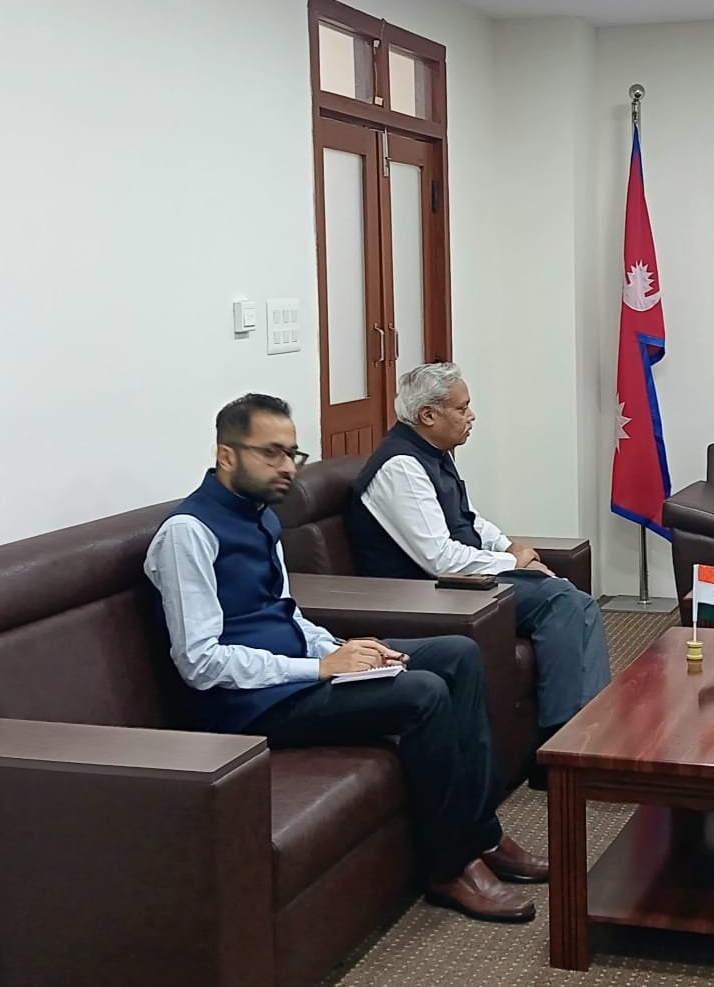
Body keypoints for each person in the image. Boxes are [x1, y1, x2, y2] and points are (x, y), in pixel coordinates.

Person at [144, 394, 545, 924]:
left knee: (456, 654)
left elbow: (285, 615)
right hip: (247, 707)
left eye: (292, 454)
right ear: (226, 455)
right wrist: (321, 668)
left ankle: (482, 834)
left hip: (298, 675)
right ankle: (449, 866)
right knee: (423, 693)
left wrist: (339, 647)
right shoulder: (188, 534)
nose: (287, 468)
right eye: (271, 453)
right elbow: (200, 663)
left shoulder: (261, 516)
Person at [344, 363, 611, 759]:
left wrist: (511, 547)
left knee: (574, 600)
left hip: (464, 582)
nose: (471, 416)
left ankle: (586, 736)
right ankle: (563, 747)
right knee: (562, 601)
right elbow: (439, 559)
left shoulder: (434, 453)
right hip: (425, 592)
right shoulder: (400, 467)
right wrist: (512, 565)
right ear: (428, 415)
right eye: (462, 408)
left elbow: (467, 520)